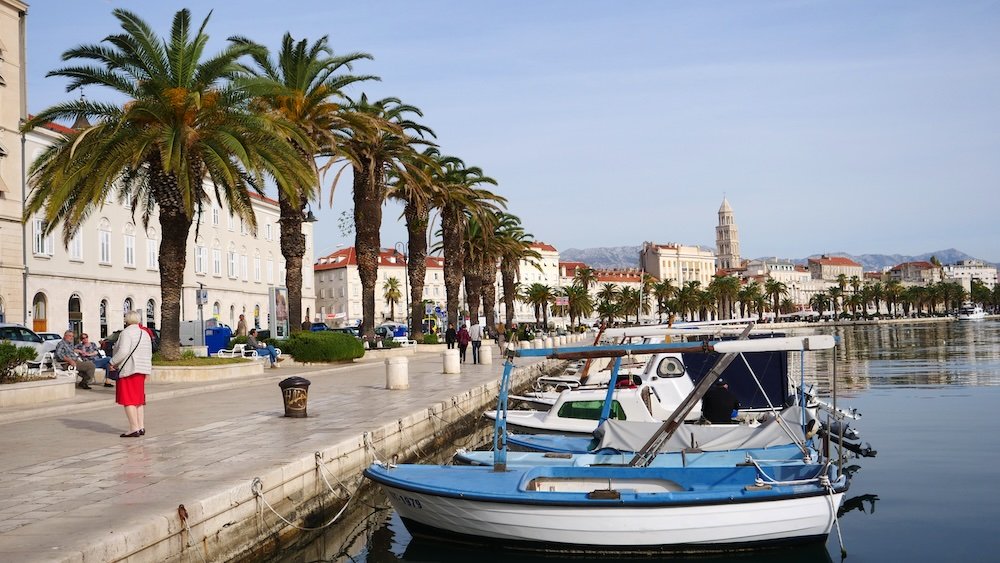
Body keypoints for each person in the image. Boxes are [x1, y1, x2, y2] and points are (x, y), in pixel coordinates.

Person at [110, 310, 153, 437]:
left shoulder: (126, 333)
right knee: (138, 400)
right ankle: (141, 426)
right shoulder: (145, 333)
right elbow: (149, 353)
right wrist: (148, 370)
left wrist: (112, 362)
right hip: (142, 369)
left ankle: (134, 428)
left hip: (129, 369)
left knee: (128, 400)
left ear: (126, 320)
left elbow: (123, 351)